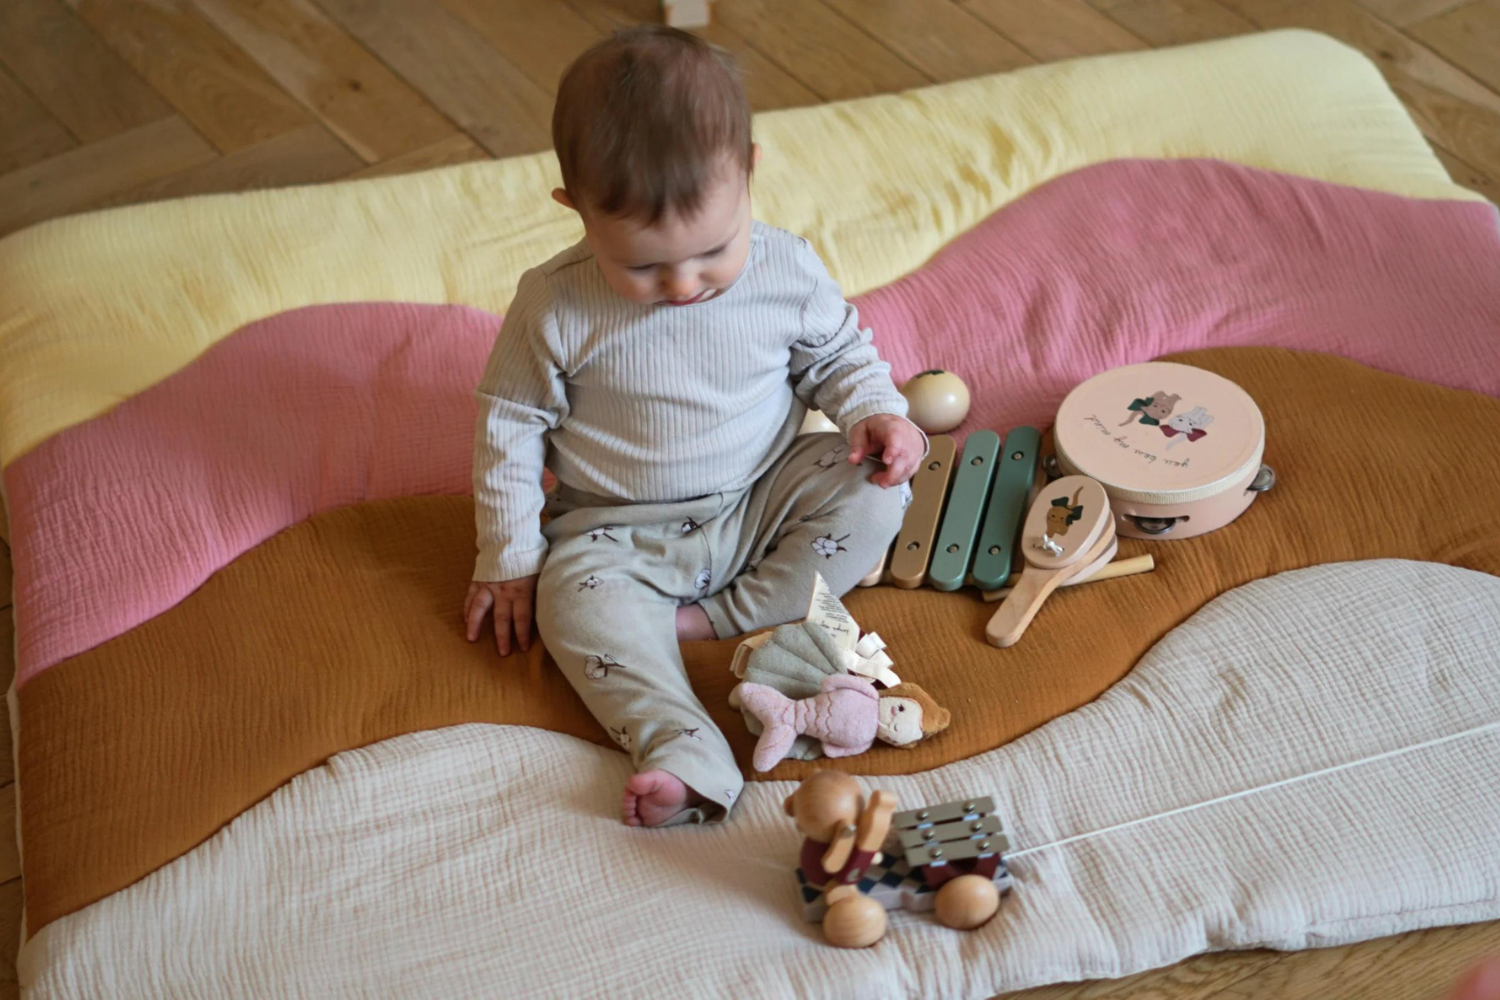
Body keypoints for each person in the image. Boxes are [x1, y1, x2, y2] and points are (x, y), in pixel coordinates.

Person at [463, 26, 924, 827]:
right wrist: (508, 557)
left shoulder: (785, 268)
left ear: (747, 170)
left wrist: (877, 412)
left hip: (762, 493)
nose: (684, 284)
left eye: (714, 251)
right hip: (618, 532)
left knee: (879, 492)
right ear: (575, 210)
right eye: (641, 266)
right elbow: (509, 430)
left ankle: (713, 620)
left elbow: (838, 354)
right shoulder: (556, 305)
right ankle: (682, 749)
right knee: (566, 602)